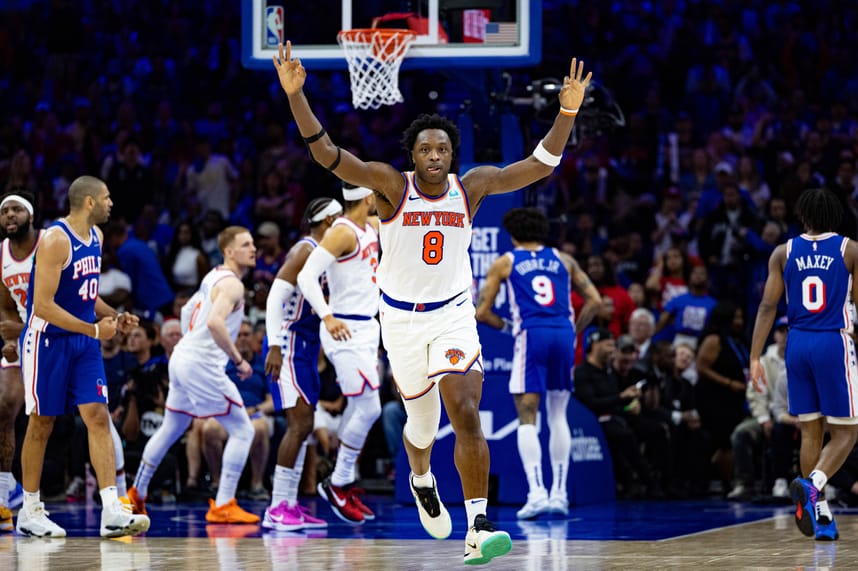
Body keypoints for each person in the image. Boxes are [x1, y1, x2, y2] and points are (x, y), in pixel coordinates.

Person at [274, 41, 590, 564]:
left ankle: (477, 526)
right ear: (413, 154)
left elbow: (538, 166)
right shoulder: (389, 187)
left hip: (453, 317)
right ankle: (421, 478)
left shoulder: (474, 187)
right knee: (420, 429)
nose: (435, 156)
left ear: (452, 154)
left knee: (465, 410)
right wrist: (296, 96)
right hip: (399, 322)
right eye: (426, 149)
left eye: (443, 149)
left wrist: (567, 112)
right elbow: (326, 154)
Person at [16, 176, 150, 538]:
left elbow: (86, 296)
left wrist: (114, 315)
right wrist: (93, 330)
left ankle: (111, 510)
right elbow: (42, 307)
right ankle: (29, 510)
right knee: (41, 424)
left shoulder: (98, 237)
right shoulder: (56, 240)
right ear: (89, 202)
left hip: (83, 343)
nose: (111, 204)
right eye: (106, 198)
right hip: (48, 341)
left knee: (98, 416)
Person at [128, 225, 260, 525]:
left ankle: (137, 492)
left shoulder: (212, 275)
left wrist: (189, 341)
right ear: (228, 251)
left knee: (172, 427)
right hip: (200, 363)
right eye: (246, 244)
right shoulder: (234, 285)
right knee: (243, 430)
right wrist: (238, 360)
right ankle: (224, 503)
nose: (253, 249)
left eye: (253, 243)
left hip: (183, 358)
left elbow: (188, 310)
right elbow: (215, 323)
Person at [475, 207, 600, 519]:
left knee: (527, 415)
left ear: (513, 234)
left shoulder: (506, 261)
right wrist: (574, 329)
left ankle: (537, 494)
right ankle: (559, 495)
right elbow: (596, 301)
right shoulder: (564, 259)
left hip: (532, 334)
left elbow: (481, 312)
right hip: (563, 334)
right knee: (558, 415)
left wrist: (506, 327)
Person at [750, 187, 858, 541]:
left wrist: (754, 357)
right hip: (832, 341)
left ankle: (823, 517)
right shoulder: (850, 249)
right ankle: (814, 486)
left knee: (810, 431)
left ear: (802, 217)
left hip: (796, 343)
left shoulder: (783, 252)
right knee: (846, 432)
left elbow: (767, 307)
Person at [296, 184, 381, 524]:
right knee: (370, 406)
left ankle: (342, 481)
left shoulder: (370, 226)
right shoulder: (342, 232)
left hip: (367, 327)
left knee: (361, 406)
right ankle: (339, 482)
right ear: (369, 197)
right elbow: (307, 276)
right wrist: (327, 315)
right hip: (344, 327)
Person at [262, 197, 342, 532]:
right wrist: (275, 346)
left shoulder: (326, 254)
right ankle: (278, 506)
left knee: (306, 425)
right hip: (289, 344)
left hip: (307, 346)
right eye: (340, 219)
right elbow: (274, 298)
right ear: (327, 222)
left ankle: (291, 503)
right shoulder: (304, 250)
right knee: (298, 425)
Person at [0, 191, 41, 531]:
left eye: (15, 209)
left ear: (30, 214)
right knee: (5, 406)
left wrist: (24, 327)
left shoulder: (50, 244)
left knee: (92, 415)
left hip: (57, 337)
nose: (9, 215)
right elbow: (4, 305)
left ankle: (115, 490)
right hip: (24, 340)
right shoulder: (1, 253)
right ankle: (3, 499)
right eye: (3, 211)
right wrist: (11, 339)